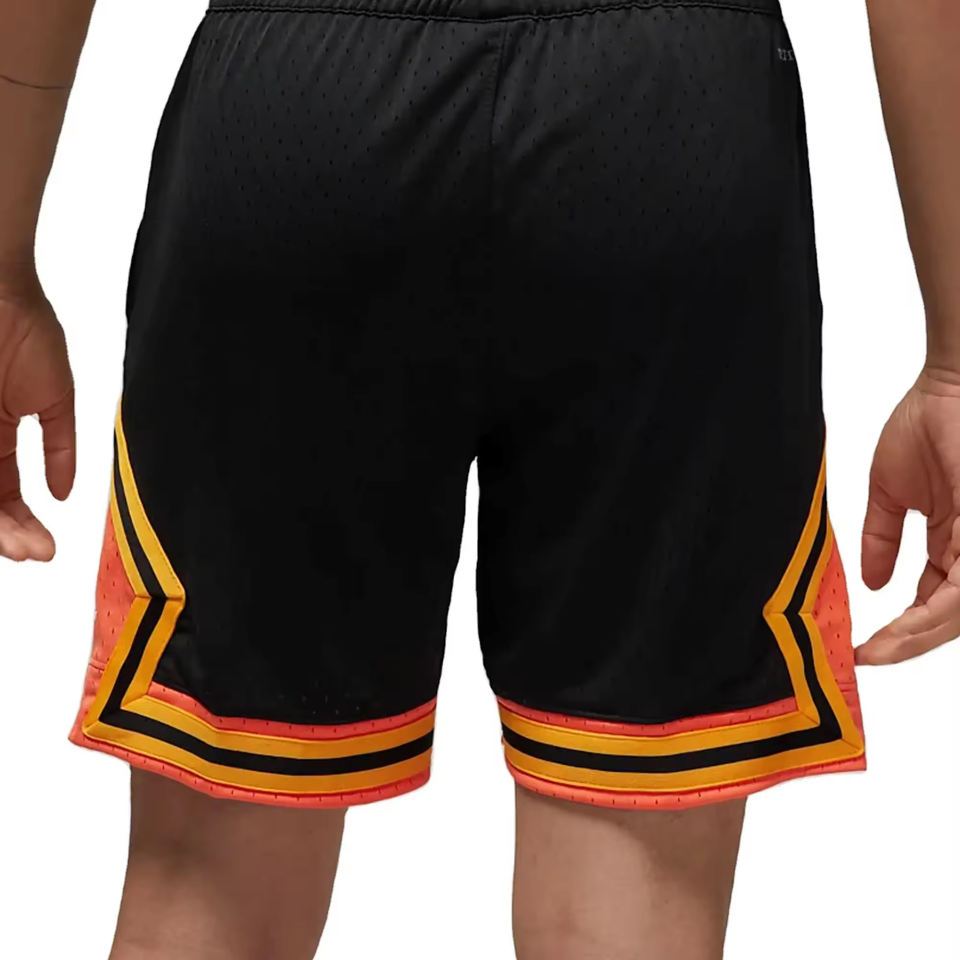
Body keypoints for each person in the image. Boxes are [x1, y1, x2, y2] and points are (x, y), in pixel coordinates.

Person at [1, 0, 957, 957]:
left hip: (303, 123)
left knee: (208, 882)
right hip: (666, 134)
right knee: (634, 890)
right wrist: (955, 362)